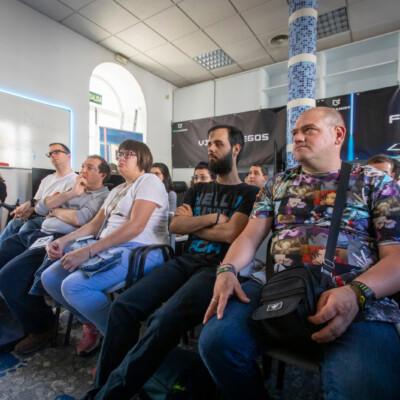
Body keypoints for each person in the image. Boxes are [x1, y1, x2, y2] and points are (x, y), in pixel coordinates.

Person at [198, 107, 400, 400]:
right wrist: (227, 270)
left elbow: (396, 257)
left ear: (338, 134)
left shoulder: (375, 183)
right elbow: (250, 237)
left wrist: (356, 293)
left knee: (360, 386)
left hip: (357, 297)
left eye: (309, 130)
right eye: (295, 132)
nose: (298, 137)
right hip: (280, 289)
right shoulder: (278, 183)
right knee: (216, 342)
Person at [80, 125, 258, 400]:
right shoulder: (198, 189)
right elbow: (175, 225)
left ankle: (109, 396)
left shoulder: (248, 193)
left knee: (163, 320)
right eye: (209, 143)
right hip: (185, 260)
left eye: (218, 144)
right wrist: (212, 219)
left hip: (218, 267)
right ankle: (100, 387)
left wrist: (194, 224)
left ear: (235, 149)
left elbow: (231, 233)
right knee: (123, 306)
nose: (211, 148)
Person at [41, 140, 169, 344]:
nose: (121, 158)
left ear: (143, 158)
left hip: (141, 250)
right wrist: (64, 241)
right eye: (120, 154)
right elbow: (94, 225)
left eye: (128, 154)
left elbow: (135, 226)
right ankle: (93, 323)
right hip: (110, 247)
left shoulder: (149, 181)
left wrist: (89, 251)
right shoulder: (117, 189)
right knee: (50, 278)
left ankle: (121, 340)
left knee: (74, 287)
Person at [0, 156, 110, 355]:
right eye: (82, 166)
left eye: (90, 167)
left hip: (59, 239)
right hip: (38, 232)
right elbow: (41, 207)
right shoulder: (73, 186)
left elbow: (80, 218)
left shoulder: (103, 196)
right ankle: (9, 320)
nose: (83, 170)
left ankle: (42, 328)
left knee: (9, 276)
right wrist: (71, 193)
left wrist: (56, 209)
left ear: (102, 174)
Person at [0, 143, 76, 245]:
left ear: (68, 156)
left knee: (25, 229)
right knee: (13, 223)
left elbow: (66, 209)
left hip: (52, 219)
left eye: (57, 152)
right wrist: (27, 211)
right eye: (50, 154)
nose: (52, 156)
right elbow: (36, 203)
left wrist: (34, 206)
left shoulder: (75, 181)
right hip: (37, 216)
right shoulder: (47, 179)